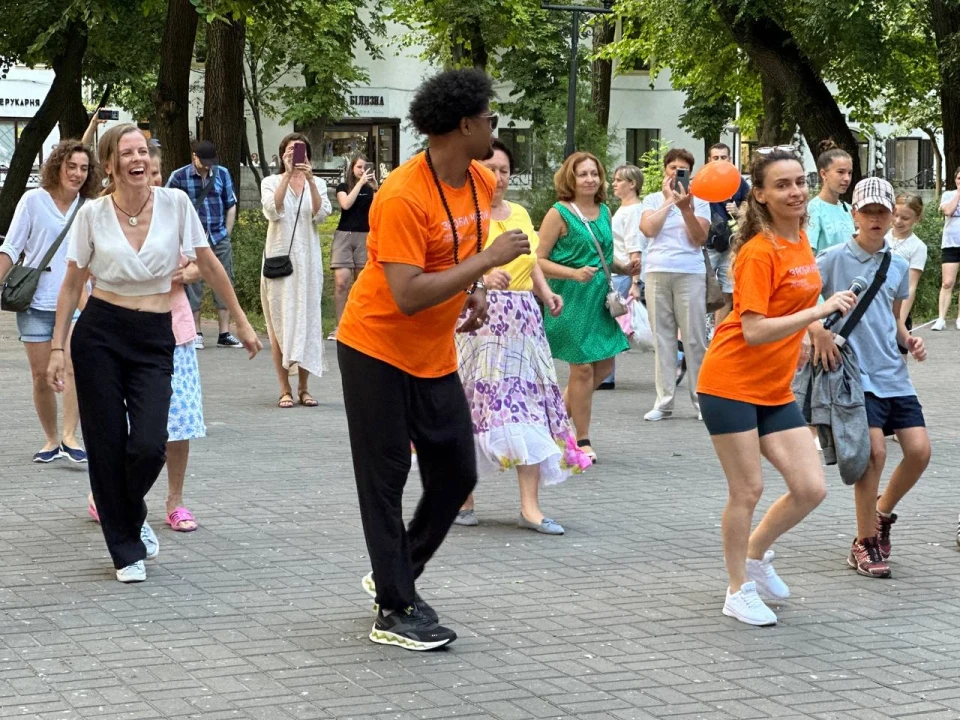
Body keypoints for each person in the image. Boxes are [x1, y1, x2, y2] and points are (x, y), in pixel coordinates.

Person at [336, 69, 529, 650]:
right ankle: (393, 610)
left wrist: (472, 290)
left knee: (456, 472)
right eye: (490, 118)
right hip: (375, 347)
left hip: (434, 351)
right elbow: (408, 292)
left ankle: (395, 573)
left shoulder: (477, 180)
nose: (495, 127)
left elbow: (453, 254)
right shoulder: (400, 195)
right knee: (386, 476)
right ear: (465, 125)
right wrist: (488, 262)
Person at [47, 125, 262, 584]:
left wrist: (241, 320)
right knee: (105, 445)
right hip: (101, 333)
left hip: (153, 335)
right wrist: (57, 348)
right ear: (109, 165)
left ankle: (125, 509)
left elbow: (209, 263)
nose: (137, 158)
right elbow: (70, 284)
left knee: (148, 443)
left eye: (143, 151)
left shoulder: (175, 205)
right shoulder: (93, 215)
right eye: (126, 153)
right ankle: (126, 551)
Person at [697, 147, 857, 626]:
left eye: (799, 183)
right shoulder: (757, 252)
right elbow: (754, 329)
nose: (794, 192)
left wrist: (811, 330)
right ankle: (736, 589)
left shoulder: (800, 239)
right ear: (761, 195)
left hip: (773, 387)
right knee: (747, 489)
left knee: (810, 488)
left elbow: (797, 297)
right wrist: (817, 315)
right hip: (729, 382)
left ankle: (755, 555)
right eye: (782, 185)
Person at [453, 139, 592, 533]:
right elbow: (446, 263)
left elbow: (530, 262)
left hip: (522, 323)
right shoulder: (465, 215)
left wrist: (546, 294)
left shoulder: (519, 213)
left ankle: (530, 508)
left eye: (504, 170)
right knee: (472, 406)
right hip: (477, 321)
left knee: (527, 408)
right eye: (490, 169)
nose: (498, 178)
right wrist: (479, 274)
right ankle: (463, 497)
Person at [810, 177, 929, 579]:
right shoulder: (830, 258)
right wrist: (819, 331)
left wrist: (909, 340)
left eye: (883, 211)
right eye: (868, 212)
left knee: (919, 451)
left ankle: (881, 514)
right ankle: (864, 543)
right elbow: (805, 305)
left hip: (893, 372)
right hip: (853, 373)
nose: (876, 219)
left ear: (892, 215)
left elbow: (892, 317)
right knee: (874, 454)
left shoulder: (895, 264)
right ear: (855, 215)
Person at [88, 143, 208, 532]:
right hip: (117, 329)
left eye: (156, 172)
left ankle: (174, 499)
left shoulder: (173, 207)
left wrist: (181, 274)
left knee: (176, 422)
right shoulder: (103, 216)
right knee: (123, 425)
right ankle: (114, 496)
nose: (151, 178)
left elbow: (198, 264)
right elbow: (90, 274)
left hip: (174, 327)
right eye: (144, 170)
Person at [0, 139, 99, 463]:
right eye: (71, 166)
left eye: (84, 168)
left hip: (74, 304)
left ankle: (71, 437)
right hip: (34, 304)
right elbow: (12, 248)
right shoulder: (33, 201)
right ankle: (51, 439)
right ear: (57, 166)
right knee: (41, 376)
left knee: (72, 367)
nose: (77, 174)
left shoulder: (89, 206)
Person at [537, 152, 636, 462]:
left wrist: (625, 267)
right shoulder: (559, 213)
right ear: (571, 178)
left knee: (604, 366)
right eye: (583, 174)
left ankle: (551, 423)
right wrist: (573, 273)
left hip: (599, 301)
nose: (590, 179)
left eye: (595, 173)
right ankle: (582, 439)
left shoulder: (604, 210)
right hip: (569, 299)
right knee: (581, 370)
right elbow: (537, 260)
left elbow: (603, 257)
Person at [639, 148, 711, 422]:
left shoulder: (699, 201)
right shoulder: (653, 199)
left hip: (689, 273)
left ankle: (701, 402)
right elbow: (648, 230)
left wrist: (685, 209)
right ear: (665, 170)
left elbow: (698, 238)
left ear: (689, 174)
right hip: (657, 271)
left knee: (694, 340)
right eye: (672, 168)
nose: (676, 172)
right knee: (663, 339)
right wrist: (669, 201)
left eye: (682, 169)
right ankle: (664, 401)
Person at [260, 133, 332, 408]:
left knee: (307, 322)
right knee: (280, 323)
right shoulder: (271, 182)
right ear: (281, 155)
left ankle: (304, 387)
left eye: (298, 150)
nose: (294, 154)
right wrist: (288, 175)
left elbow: (321, 214)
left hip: (308, 262)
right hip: (280, 260)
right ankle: (284, 389)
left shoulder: (320, 183)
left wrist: (311, 181)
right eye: (289, 150)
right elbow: (273, 210)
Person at [166, 139, 243, 349]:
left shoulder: (222, 174)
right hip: (192, 240)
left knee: (224, 280)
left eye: (211, 161)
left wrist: (227, 232)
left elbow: (231, 204)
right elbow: (165, 206)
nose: (208, 165)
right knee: (192, 283)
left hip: (218, 236)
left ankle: (224, 333)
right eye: (204, 161)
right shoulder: (179, 176)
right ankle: (196, 331)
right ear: (194, 157)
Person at [598, 163, 646, 390]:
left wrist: (635, 283)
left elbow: (634, 248)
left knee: (611, 321)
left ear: (632, 184)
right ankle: (607, 373)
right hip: (617, 272)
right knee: (611, 321)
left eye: (619, 180)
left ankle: (607, 375)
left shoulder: (634, 211)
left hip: (622, 274)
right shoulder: (624, 209)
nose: (613, 184)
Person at [330, 153, 377, 339]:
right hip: (344, 235)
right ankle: (339, 325)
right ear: (352, 169)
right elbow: (346, 204)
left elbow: (379, 209)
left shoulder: (371, 188)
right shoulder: (343, 187)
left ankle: (358, 325)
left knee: (361, 283)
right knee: (342, 281)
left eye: (365, 167)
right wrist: (359, 183)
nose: (362, 170)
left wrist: (374, 187)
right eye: (359, 167)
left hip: (365, 236)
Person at [705, 143, 750, 323]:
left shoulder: (738, 181)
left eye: (723, 157)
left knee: (728, 292)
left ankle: (718, 336)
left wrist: (739, 209)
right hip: (707, 245)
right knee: (699, 290)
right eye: (716, 158)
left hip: (731, 243)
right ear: (709, 160)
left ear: (730, 160)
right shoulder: (703, 180)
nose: (720, 161)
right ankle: (691, 336)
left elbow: (751, 205)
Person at [886, 193, 927, 331]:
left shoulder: (918, 246)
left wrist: (900, 322)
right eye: (895, 215)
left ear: (917, 218)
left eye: (905, 218)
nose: (898, 221)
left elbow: (910, 286)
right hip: (876, 303)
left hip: (899, 305)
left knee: (899, 351)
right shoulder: (881, 235)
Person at [806, 140, 854, 254]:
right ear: (823, 174)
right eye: (841, 172)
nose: (847, 178)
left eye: (850, 173)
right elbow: (809, 253)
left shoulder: (848, 209)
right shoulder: (814, 209)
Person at [932, 167, 960, 330]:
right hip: (951, 243)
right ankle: (941, 318)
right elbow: (948, 211)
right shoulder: (948, 195)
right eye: (959, 178)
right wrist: (958, 193)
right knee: (947, 282)